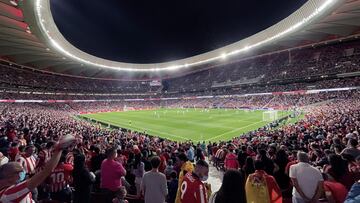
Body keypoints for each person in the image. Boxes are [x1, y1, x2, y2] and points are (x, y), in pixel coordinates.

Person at [0, 136, 74, 202]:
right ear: (9, 176)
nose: (20, 175)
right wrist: (59, 149)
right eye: (19, 172)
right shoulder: (8, 194)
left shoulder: (11, 190)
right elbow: (46, 172)